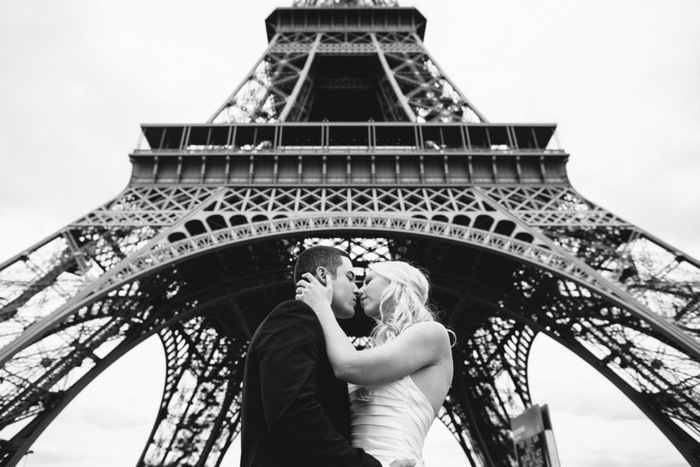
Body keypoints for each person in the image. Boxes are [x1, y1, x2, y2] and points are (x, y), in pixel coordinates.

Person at [240, 246, 416, 467]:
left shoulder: (310, 329)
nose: (358, 290)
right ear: (324, 276)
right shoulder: (295, 317)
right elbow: (294, 416)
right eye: (350, 278)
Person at [295, 260, 454, 467]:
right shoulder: (377, 351)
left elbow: (347, 365)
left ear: (396, 282)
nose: (360, 289)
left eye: (368, 280)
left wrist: (322, 306)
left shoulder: (432, 333)